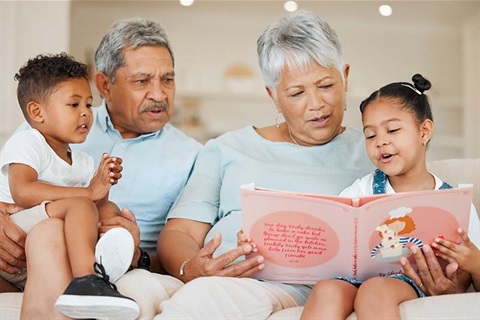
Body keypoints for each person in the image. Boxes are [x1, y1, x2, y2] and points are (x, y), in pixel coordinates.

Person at [153, 11, 374, 319]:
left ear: (345, 77)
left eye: (325, 85)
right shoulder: (225, 148)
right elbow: (181, 231)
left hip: (290, 290)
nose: (316, 104)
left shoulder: (373, 153)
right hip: (216, 281)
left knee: (207, 298)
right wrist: (191, 268)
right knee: (139, 291)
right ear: (273, 96)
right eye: (297, 93)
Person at [14, 17, 202, 319]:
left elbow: (182, 251)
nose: (159, 94)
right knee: (54, 227)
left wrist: (137, 254)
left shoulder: (195, 157)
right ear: (105, 85)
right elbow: (12, 186)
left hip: (123, 266)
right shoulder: (51, 124)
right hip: (28, 249)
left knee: (73, 221)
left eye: (167, 79)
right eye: (142, 81)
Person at [299, 74, 480, 320]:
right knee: (326, 290)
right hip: (351, 279)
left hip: (407, 283)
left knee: (375, 290)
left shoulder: (455, 202)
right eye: (370, 136)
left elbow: (471, 281)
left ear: (424, 131)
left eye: (392, 130)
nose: (381, 142)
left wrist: (472, 263)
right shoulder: (360, 190)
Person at [0, 53, 140, 318]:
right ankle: (87, 280)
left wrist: (103, 180)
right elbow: (23, 191)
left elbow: (93, 205)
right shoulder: (29, 143)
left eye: (88, 104)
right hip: (18, 225)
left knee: (108, 208)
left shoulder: (83, 160)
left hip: (46, 235)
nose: (86, 112)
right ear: (37, 112)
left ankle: (108, 257)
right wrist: (87, 192)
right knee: (82, 203)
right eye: (73, 105)